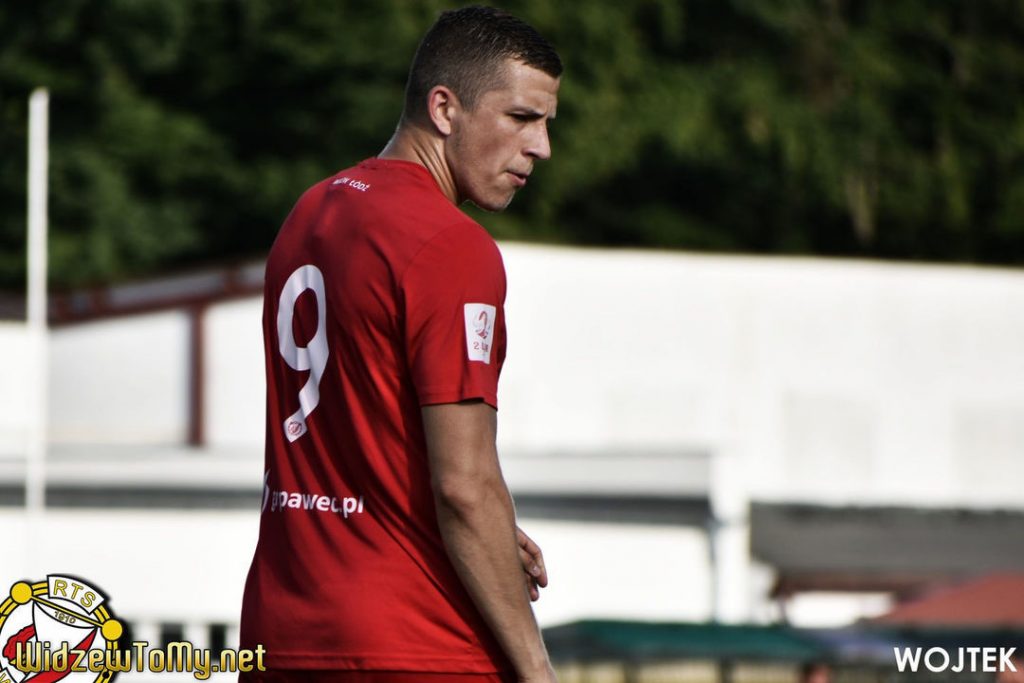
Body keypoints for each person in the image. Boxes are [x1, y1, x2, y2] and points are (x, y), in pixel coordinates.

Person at [238, 6, 562, 683]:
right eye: (521, 118)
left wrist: (490, 541)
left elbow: (361, 436)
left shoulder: (311, 212)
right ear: (444, 108)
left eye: (546, 123)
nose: (541, 147)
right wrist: (537, 668)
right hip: (413, 640)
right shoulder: (450, 246)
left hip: (280, 630)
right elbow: (464, 486)